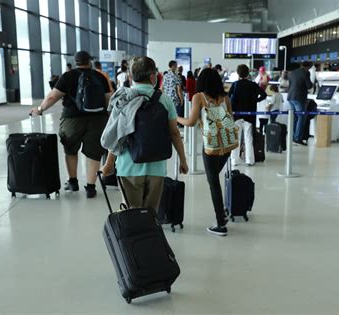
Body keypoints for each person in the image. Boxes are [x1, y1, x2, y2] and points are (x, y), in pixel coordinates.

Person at [100, 56, 188, 210]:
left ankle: (133, 234)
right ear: (153, 77)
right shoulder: (164, 100)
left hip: (128, 166)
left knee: (131, 212)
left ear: (130, 77)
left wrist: (108, 164)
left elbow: (116, 135)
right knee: (151, 213)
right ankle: (149, 233)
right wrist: (183, 160)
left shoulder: (123, 99)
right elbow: (174, 133)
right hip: (157, 167)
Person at [29, 51, 112, 198]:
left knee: (70, 149)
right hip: (97, 119)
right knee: (94, 153)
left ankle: (73, 182)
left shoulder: (68, 76)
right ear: (89, 61)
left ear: (76, 62)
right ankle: (91, 187)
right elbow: (108, 99)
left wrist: (40, 109)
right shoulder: (100, 76)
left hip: (72, 118)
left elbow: (53, 96)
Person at [177, 68, 234, 236]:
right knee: (214, 179)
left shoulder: (199, 97)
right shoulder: (225, 98)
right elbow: (230, 119)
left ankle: (220, 224)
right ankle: (222, 215)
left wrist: (175, 118)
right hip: (226, 146)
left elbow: (191, 122)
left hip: (210, 147)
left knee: (213, 184)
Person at [228, 64, 267, 161]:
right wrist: (255, 100)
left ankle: (234, 160)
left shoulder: (235, 84)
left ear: (238, 73)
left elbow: (228, 97)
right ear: (248, 73)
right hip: (250, 115)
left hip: (236, 115)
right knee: (249, 137)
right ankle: (250, 160)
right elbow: (264, 94)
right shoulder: (253, 84)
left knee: (236, 139)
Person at [287, 61, 313, 146]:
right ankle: (297, 138)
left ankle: (293, 137)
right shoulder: (306, 72)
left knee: (294, 118)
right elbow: (309, 85)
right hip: (299, 98)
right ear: (308, 66)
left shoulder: (292, 73)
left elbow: (290, 85)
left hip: (290, 97)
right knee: (301, 117)